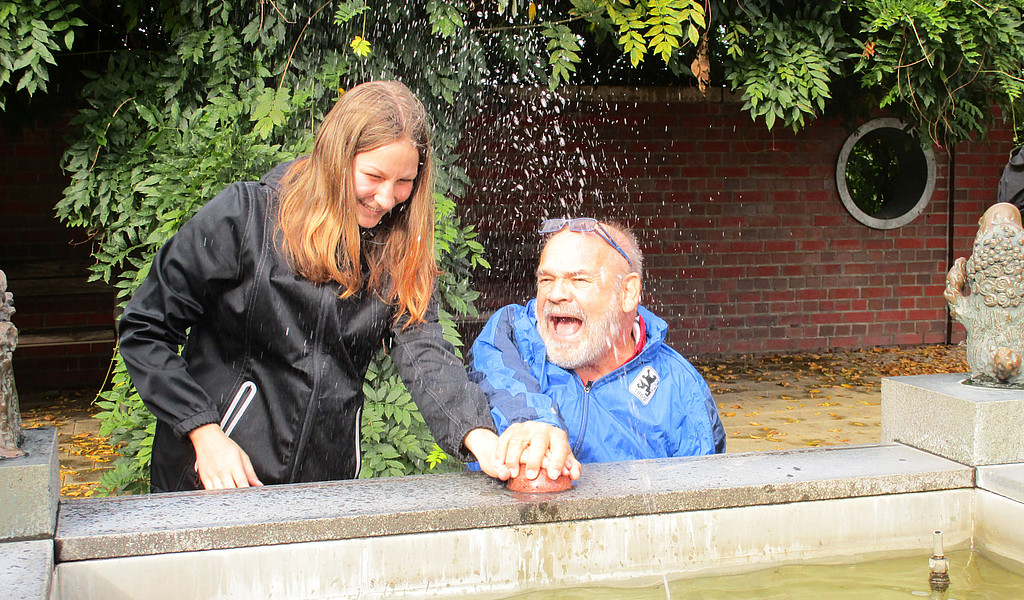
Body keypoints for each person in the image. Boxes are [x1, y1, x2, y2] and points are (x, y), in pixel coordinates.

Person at [118, 80, 540, 492]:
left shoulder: (395, 252)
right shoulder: (245, 218)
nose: (386, 198)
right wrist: (203, 430)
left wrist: (479, 437)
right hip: (212, 482)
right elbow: (144, 328)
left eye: (403, 182)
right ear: (336, 158)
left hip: (323, 493)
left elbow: (426, 354)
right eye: (373, 176)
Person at [468, 218, 726, 465]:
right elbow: (495, 379)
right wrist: (537, 424)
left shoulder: (680, 387)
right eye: (546, 280)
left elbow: (703, 489)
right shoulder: (513, 338)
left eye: (579, 280)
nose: (555, 294)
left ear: (628, 292)